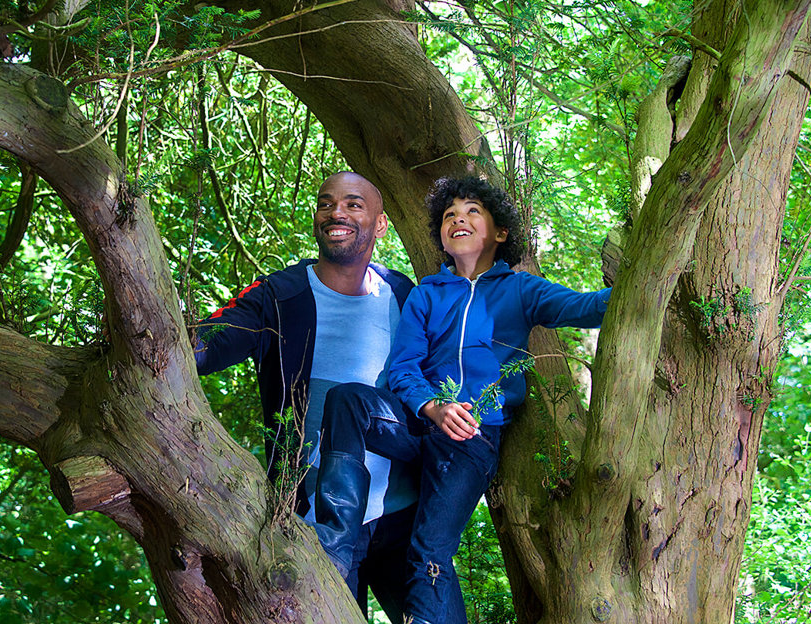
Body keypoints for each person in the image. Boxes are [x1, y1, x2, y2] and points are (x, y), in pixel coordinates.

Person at [314, 176, 611, 623]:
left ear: (500, 233)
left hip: (472, 437)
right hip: (420, 423)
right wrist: (432, 405)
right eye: (450, 215)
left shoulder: (521, 289)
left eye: (473, 211)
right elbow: (403, 366)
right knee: (347, 401)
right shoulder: (426, 294)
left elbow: (587, 307)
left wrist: (643, 278)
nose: (459, 219)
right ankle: (333, 551)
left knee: (429, 548)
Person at [192, 171, 463, 622]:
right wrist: (160, 333)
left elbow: (443, 376)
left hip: (406, 520)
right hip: (318, 529)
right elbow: (209, 344)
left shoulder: (403, 294)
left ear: (379, 225)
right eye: (326, 203)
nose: (337, 212)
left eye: (354, 204)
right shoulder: (280, 296)